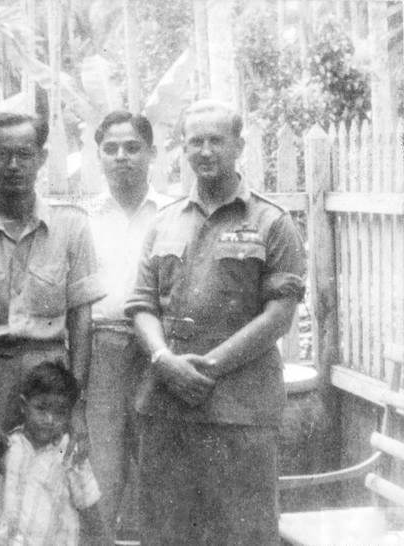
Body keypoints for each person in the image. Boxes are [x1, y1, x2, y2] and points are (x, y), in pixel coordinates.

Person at [124, 100, 306, 545]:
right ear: (183, 149)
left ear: (238, 145)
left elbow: (280, 313)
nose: (205, 151)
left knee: (241, 534)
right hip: (167, 404)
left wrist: (209, 367)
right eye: (195, 142)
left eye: (216, 140)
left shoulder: (272, 222)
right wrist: (164, 359)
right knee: (166, 534)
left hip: (239, 410)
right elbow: (141, 303)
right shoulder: (164, 221)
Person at [0, 112, 105, 543]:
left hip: (51, 377)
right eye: (3, 154)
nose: (13, 165)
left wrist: (76, 407)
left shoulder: (72, 226)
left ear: (42, 158)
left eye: (24, 155)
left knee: (56, 494)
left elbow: (82, 321)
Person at [83, 110, 173, 533]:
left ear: (152, 153)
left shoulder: (174, 213)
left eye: (133, 147)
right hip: (103, 346)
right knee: (103, 465)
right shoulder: (84, 218)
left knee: (158, 464)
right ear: (99, 156)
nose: (122, 156)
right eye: (111, 149)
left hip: (160, 348)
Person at [0, 359, 106, 545]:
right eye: (41, 408)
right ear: (24, 405)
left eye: (59, 412)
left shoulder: (68, 452)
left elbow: (89, 506)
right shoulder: (9, 445)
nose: (49, 419)